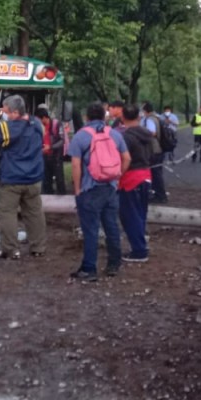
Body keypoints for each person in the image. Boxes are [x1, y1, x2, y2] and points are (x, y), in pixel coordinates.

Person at [68, 101, 130, 281]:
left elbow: (75, 165)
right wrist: (118, 176)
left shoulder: (81, 136)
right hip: (110, 187)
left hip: (90, 188)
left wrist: (78, 189)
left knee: (90, 230)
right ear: (104, 117)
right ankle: (114, 263)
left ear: (87, 117)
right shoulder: (115, 134)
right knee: (112, 226)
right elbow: (127, 158)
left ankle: (89, 269)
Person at [0, 95, 47, 259]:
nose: (4, 114)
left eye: (6, 111)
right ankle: (38, 247)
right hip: (34, 178)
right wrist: (0, 112)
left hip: (12, 179)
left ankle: (11, 249)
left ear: (16, 113)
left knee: (8, 214)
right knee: (34, 213)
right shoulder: (36, 123)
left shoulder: (11, 129)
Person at [118, 105, 152, 262]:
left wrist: (118, 174)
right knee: (141, 213)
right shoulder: (147, 134)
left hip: (131, 177)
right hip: (146, 175)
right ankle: (141, 243)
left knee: (130, 215)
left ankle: (139, 250)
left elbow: (125, 158)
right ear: (139, 117)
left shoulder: (126, 137)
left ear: (122, 118)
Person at [141, 102, 168, 204]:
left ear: (145, 111)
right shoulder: (157, 117)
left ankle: (160, 195)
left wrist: (141, 133)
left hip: (154, 149)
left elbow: (152, 132)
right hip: (158, 149)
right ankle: (159, 194)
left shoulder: (150, 119)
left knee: (155, 173)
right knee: (156, 173)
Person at [37, 105, 67, 196]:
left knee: (59, 179)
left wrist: (50, 147)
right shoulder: (41, 127)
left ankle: (63, 199)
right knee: (46, 180)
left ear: (44, 118)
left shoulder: (56, 124)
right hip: (45, 156)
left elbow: (62, 141)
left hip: (56, 156)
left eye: (40, 120)